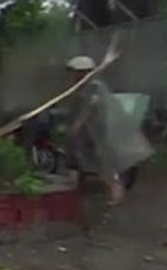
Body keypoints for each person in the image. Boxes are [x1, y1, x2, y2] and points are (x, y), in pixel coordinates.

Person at [64, 55, 154, 206]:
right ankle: (102, 190)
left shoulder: (94, 87)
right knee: (90, 161)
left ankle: (116, 193)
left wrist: (78, 124)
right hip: (91, 132)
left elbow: (89, 108)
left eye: (76, 72)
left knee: (106, 164)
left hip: (101, 132)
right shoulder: (83, 87)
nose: (73, 76)